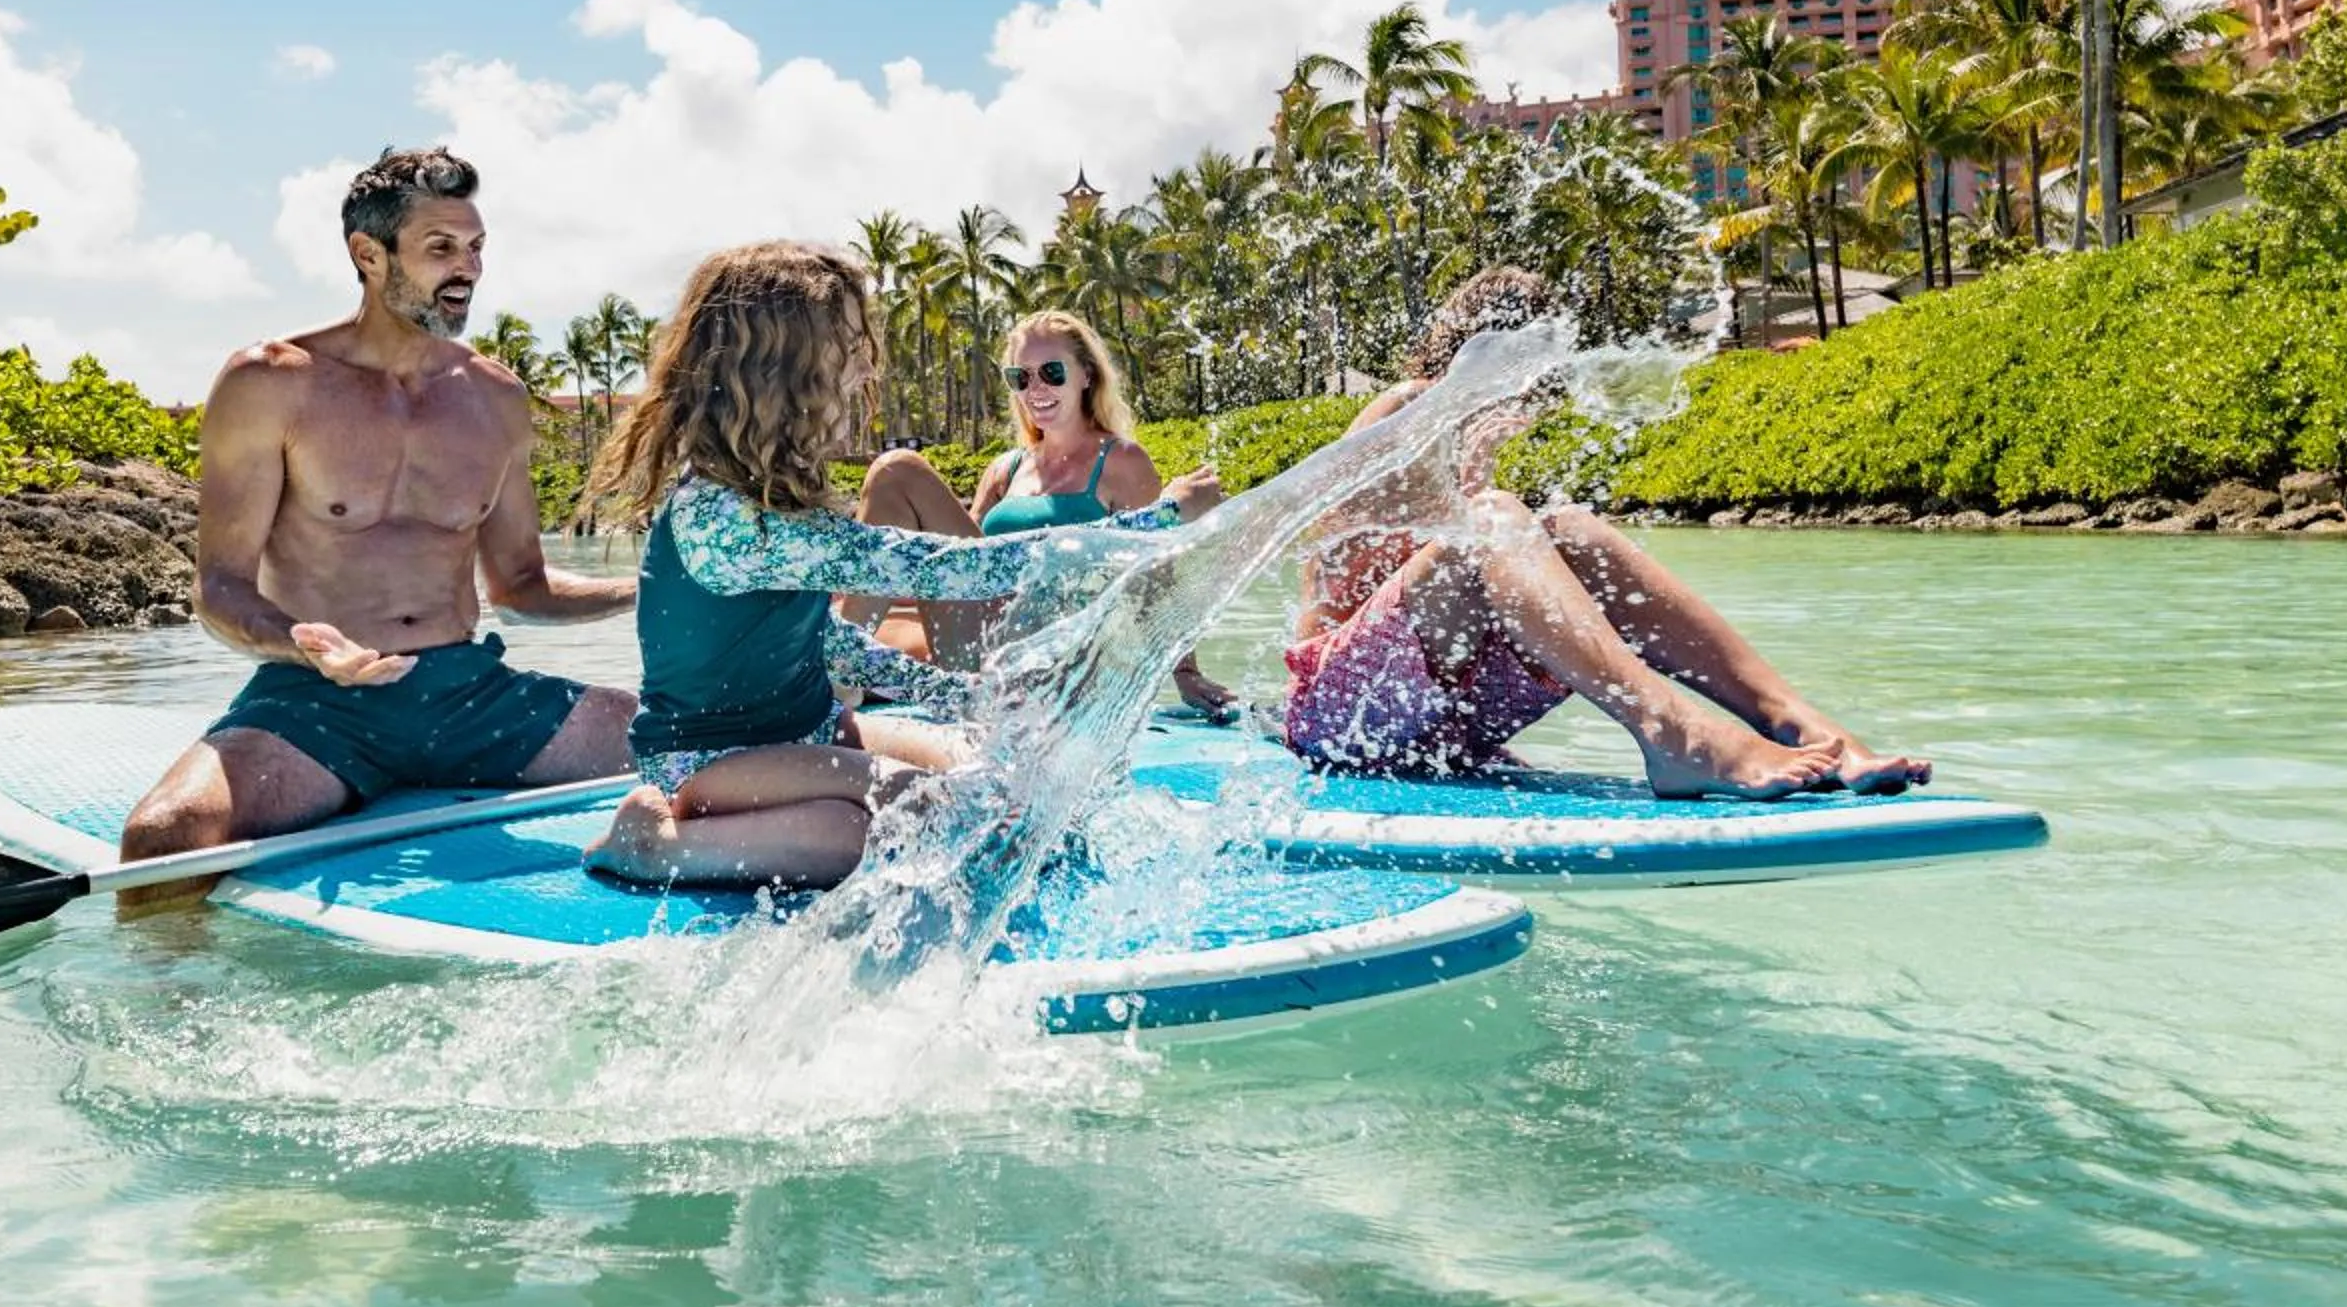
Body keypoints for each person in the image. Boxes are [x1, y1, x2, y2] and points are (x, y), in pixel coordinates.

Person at [582, 243, 1220, 891]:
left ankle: (798, 809)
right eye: (849, 349)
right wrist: (1162, 519)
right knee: (904, 816)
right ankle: (656, 843)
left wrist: (961, 696)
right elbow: (963, 572)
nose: (865, 370)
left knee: (996, 784)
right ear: (784, 370)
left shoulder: (774, 495)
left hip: (816, 730)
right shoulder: (723, 519)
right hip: (706, 761)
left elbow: (820, 640)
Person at [119, 148, 641, 891]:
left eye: (475, 248)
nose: (467, 269)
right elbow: (219, 586)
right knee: (161, 839)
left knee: (699, 746)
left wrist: (648, 589)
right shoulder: (270, 382)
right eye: (440, 249)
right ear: (369, 255)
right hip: (320, 702)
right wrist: (303, 644)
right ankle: (170, 1002)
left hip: (470, 694)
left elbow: (522, 584)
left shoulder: (495, 398)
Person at [1285, 267, 1929, 799]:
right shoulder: (1409, 406)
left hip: (1438, 718)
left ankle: (1801, 727)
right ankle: (1674, 734)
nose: (1537, 387)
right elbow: (1344, 573)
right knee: (1496, 520)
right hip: (1342, 719)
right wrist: (1467, 492)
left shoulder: (1483, 424)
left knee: (1573, 528)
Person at [847, 308, 1236, 714]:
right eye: (1021, 377)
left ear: (1086, 375)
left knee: (899, 467)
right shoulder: (1005, 470)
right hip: (980, 649)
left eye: (1051, 372)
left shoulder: (1121, 460)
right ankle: (840, 672)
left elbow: (1157, 576)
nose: (1036, 388)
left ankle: (843, 674)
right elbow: (955, 572)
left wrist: (1185, 673)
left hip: (1053, 660)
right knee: (891, 478)